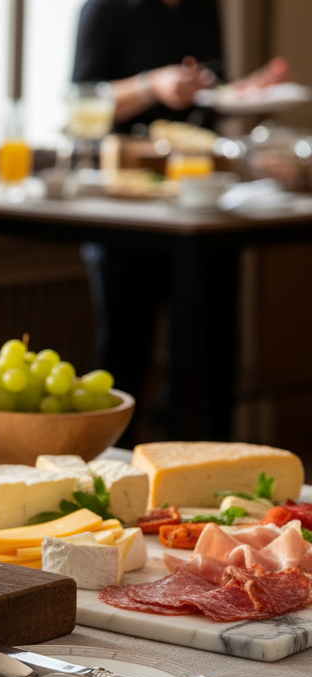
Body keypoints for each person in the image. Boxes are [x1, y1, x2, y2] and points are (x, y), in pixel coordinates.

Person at [70, 0, 286, 443]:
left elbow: (211, 99)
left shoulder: (203, 9)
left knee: (213, 350)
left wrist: (245, 90)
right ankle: (114, 468)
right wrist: (152, 85)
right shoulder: (106, 9)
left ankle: (217, 467)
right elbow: (81, 108)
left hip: (202, 201)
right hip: (131, 208)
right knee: (126, 352)